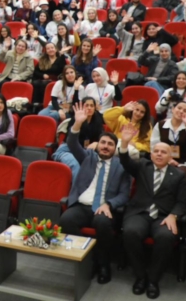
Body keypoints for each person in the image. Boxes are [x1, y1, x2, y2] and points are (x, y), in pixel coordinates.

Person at [119, 125, 186, 300]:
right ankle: (141, 276)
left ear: (170, 156)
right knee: (130, 232)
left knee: (166, 237)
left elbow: (182, 202)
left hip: (164, 216)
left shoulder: (179, 175)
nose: (158, 154)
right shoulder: (143, 165)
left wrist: (174, 215)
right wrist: (125, 143)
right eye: (155, 151)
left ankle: (153, 280)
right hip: (140, 212)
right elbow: (126, 162)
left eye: (163, 152)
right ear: (151, 155)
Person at [57, 122, 131, 285]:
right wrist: (77, 123)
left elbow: (124, 195)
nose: (105, 146)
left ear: (115, 148)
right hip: (83, 205)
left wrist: (109, 204)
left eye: (110, 144)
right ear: (98, 145)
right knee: (66, 220)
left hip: (105, 208)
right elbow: (71, 143)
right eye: (103, 143)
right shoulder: (87, 157)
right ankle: (88, 260)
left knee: (102, 223)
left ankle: (103, 264)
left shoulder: (122, 166)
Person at [53, 98, 106, 175]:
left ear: (95, 108)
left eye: (91, 106)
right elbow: (70, 140)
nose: (89, 108)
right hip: (67, 150)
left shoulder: (97, 121)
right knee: (75, 165)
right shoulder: (76, 119)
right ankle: (77, 187)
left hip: (84, 152)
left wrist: (97, 143)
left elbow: (101, 138)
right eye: (86, 105)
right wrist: (78, 122)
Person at [150, 101, 186, 167]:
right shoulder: (160, 125)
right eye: (179, 108)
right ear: (173, 109)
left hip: (182, 164)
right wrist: (168, 160)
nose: (181, 111)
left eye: (184, 110)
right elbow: (153, 145)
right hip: (161, 161)